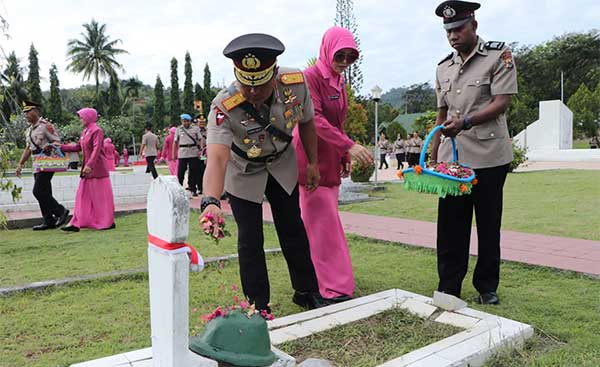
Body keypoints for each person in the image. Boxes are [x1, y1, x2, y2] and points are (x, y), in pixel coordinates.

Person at [201, 33, 327, 311]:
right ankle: (258, 304)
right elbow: (217, 158)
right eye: (247, 85)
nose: (254, 92)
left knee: (293, 229)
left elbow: (307, 123)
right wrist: (210, 201)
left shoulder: (295, 83)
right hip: (243, 170)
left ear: (274, 74)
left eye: (261, 84)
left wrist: (313, 163)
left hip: (282, 164)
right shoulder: (223, 105)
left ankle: (306, 291)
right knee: (250, 239)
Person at [430, 0, 518, 305]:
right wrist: (431, 153)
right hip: (452, 159)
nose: (453, 35)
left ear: (474, 26)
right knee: (450, 225)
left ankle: (487, 286)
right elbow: (441, 116)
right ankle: (448, 285)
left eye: (458, 28)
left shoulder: (498, 55)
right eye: (448, 31)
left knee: (488, 223)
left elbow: (501, 101)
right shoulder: (443, 67)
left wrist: (465, 121)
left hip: (489, 155)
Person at [293, 26, 373, 302]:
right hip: (310, 158)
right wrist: (349, 145)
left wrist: (343, 155)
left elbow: (338, 122)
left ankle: (322, 280)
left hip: (330, 156)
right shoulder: (310, 77)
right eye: (340, 56)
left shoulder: (338, 81)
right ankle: (333, 287)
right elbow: (312, 119)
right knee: (321, 223)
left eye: (351, 57)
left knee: (323, 222)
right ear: (327, 50)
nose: (345, 62)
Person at [15, 101, 69, 231]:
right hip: (36, 163)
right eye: (25, 113)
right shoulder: (28, 130)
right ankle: (48, 220)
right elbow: (28, 149)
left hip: (47, 161)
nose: (26, 115)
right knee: (45, 191)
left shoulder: (45, 126)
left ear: (36, 111)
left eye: (28, 112)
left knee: (38, 191)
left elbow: (57, 141)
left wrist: (48, 148)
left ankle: (61, 211)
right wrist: (20, 164)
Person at [60, 108, 115, 232]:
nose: (80, 119)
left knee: (101, 198)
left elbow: (97, 149)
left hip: (97, 169)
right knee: (82, 196)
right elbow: (77, 147)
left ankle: (107, 221)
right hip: (87, 170)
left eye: (81, 117)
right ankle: (77, 222)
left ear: (89, 116)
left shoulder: (97, 130)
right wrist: (61, 147)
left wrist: (89, 165)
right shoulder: (85, 131)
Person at [173, 114, 203, 196]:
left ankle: (193, 189)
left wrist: (201, 150)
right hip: (182, 152)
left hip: (193, 152)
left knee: (193, 171)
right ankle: (179, 188)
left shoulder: (195, 129)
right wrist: (174, 154)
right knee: (181, 172)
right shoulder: (178, 129)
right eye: (183, 121)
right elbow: (175, 142)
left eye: (187, 121)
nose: (185, 123)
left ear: (190, 121)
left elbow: (200, 139)